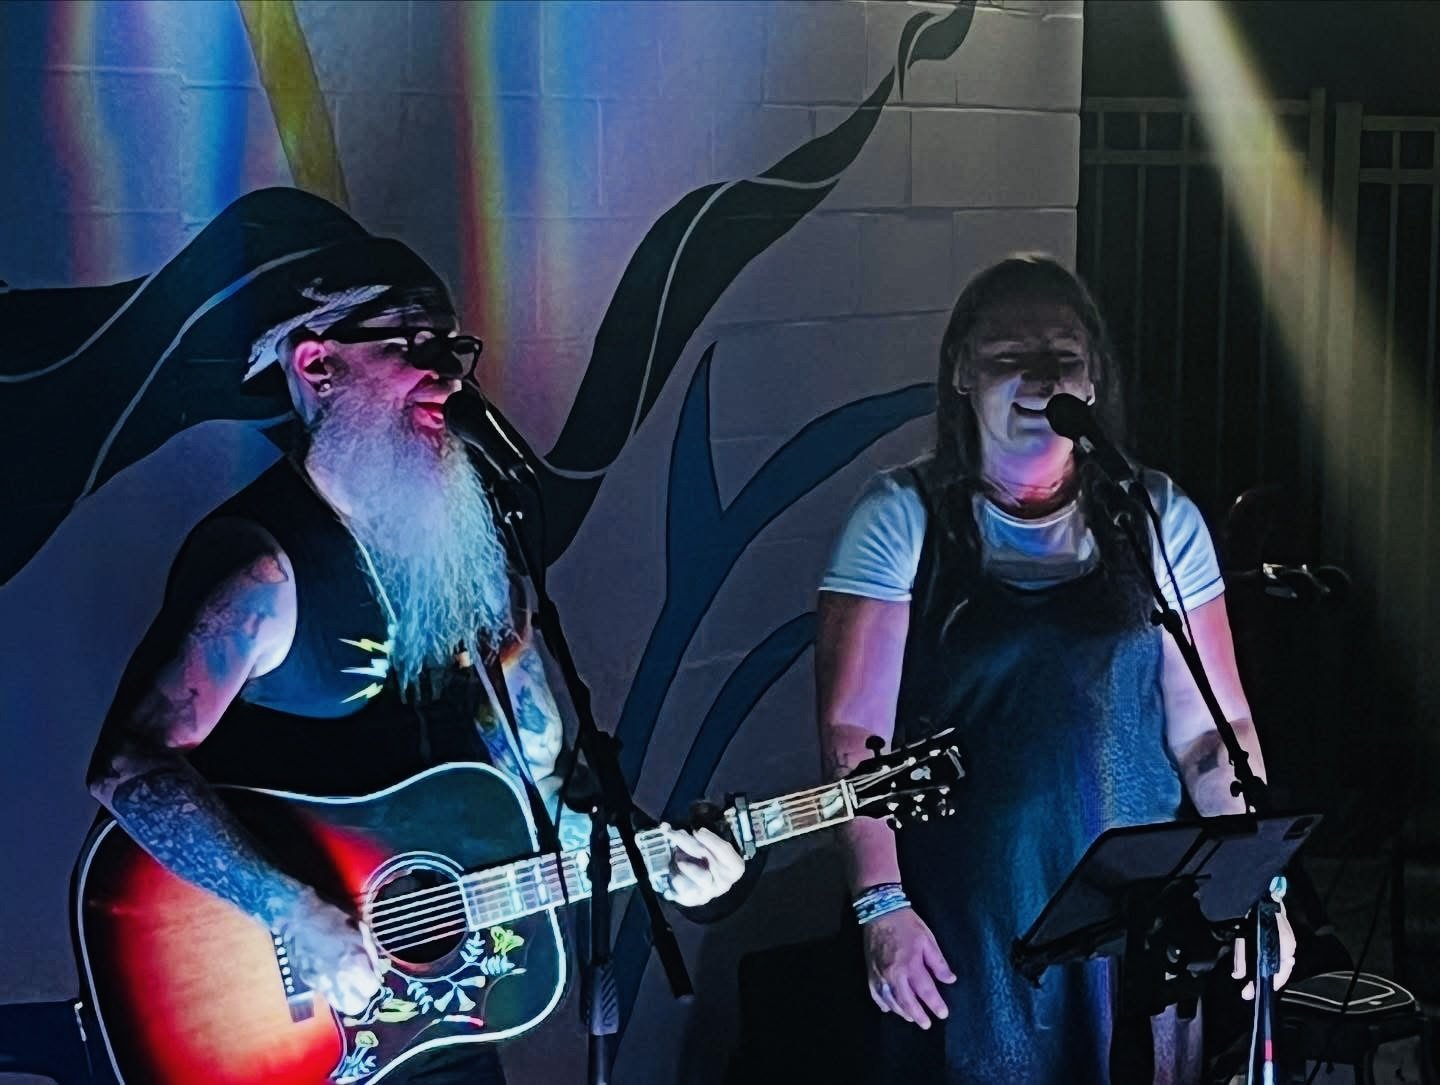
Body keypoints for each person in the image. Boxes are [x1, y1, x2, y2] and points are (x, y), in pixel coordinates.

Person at [85, 236, 744, 1083]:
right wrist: (289, 909)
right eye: (411, 345)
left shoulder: (472, 558)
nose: (449, 376)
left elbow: (536, 786)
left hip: (441, 1010)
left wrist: (660, 856)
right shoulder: (262, 567)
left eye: (453, 348)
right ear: (319, 364)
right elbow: (127, 764)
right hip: (274, 1022)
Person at [814, 255, 1294, 1084]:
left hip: (1135, 928)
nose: (1038, 377)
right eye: (1008, 355)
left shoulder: (1158, 516)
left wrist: (1260, 887)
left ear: (1094, 378)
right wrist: (881, 903)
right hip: (968, 925)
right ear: (962, 372)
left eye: (1061, 355)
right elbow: (855, 732)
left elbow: (1215, 734)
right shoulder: (899, 517)